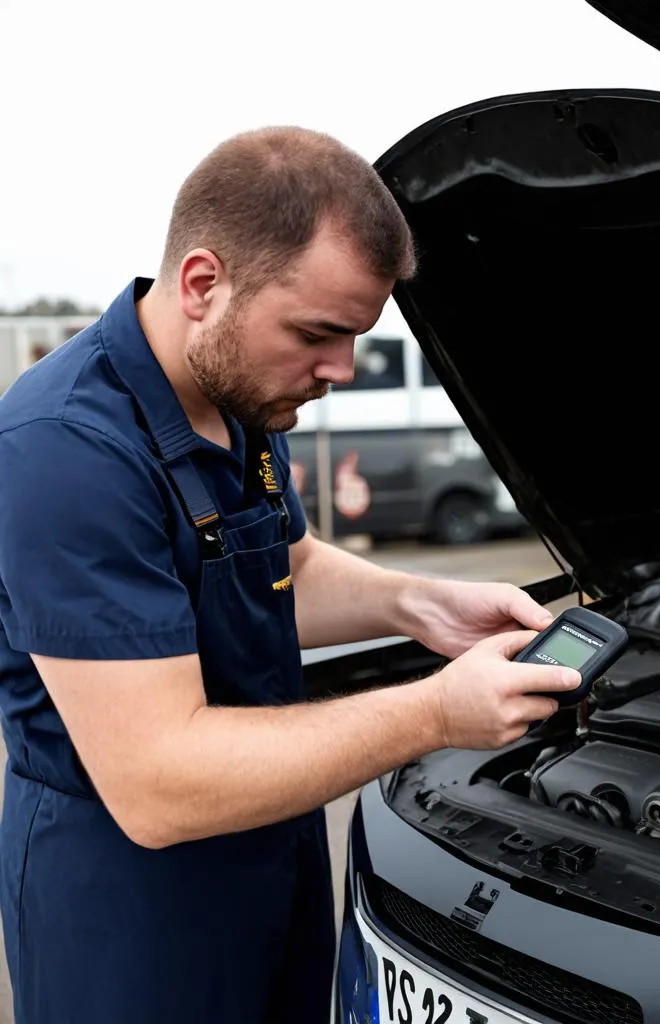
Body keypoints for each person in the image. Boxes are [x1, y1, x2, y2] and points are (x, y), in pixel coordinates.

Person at [0, 126, 580, 1024]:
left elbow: (284, 566)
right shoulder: (64, 452)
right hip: (127, 900)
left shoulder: (241, 396)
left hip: (273, 844)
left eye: (355, 338)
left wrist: (425, 605)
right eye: (319, 333)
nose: (339, 373)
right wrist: (435, 711)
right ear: (204, 285)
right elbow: (157, 782)